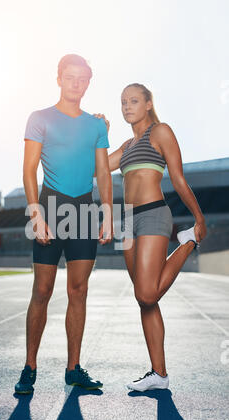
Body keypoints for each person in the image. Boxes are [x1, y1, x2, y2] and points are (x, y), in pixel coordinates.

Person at [95, 83, 207, 392]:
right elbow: (99, 167)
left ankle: (188, 242)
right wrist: (100, 135)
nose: (126, 106)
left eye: (133, 100)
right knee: (146, 301)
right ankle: (159, 374)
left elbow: (179, 178)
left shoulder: (160, 132)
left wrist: (198, 218)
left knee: (146, 294)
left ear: (147, 104)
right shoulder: (128, 145)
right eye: (122, 102)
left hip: (154, 214)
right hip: (127, 223)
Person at [15, 54, 113, 394]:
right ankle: (29, 366)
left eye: (82, 79)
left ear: (88, 83)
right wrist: (35, 212)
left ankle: (74, 368)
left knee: (79, 291)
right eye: (70, 77)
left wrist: (109, 212)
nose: (76, 83)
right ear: (59, 78)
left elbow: (102, 171)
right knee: (42, 291)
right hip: (50, 207)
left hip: (85, 210)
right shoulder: (39, 118)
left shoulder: (97, 125)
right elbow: (29, 169)